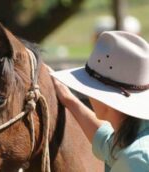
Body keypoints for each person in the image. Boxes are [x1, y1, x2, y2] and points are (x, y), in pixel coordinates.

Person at [50, 31, 149, 172]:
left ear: (106, 102)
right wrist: (69, 99)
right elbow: (108, 144)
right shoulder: (137, 133)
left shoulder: (134, 161)